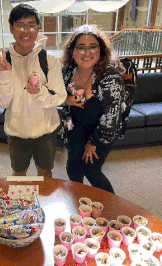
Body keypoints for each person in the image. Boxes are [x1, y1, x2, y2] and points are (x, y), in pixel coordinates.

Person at [0, 4, 67, 178]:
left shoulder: (49, 60)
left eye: (31, 25)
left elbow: (60, 97)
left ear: (38, 29)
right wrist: (6, 75)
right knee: (18, 172)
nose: (26, 30)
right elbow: (0, 102)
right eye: (20, 25)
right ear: (11, 28)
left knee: (45, 172)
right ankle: (18, 206)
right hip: (17, 132)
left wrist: (38, 92)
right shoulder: (0, 62)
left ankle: (44, 203)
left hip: (46, 131)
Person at [61, 24, 131, 194]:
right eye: (81, 47)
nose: (87, 52)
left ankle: (111, 206)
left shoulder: (110, 77)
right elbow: (59, 98)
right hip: (76, 129)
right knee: (72, 168)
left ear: (101, 50)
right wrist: (66, 100)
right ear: (72, 51)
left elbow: (113, 117)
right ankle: (78, 200)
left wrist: (94, 142)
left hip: (101, 132)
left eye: (93, 47)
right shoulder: (68, 72)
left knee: (90, 169)